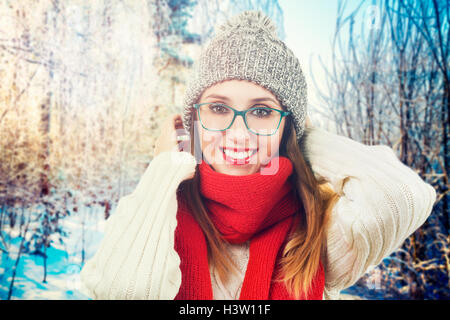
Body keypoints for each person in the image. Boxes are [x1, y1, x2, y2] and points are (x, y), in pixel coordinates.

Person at [79, 10, 436, 300]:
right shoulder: (155, 214)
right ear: (193, 121)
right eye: (218, 108)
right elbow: (119, 292)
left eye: (262, 112)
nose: (238, 132)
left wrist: (300, 140)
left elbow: (403, 195)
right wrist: (162, 170)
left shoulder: (316, 232)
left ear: (287, 128)